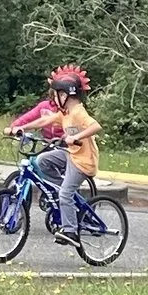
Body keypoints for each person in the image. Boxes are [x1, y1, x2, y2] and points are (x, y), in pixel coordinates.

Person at [18, 65, 101, 243]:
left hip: (83, 162)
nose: (54, 99)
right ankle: (63, 190)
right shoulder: (66, 113)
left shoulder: (78, 111)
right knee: (42, 161)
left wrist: (76, 137)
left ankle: (70, 231)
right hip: (71, 156)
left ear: (64, 95)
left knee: (65, 193)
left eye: (56, 95)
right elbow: (44, 120)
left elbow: (96, 126)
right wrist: (20, 128)